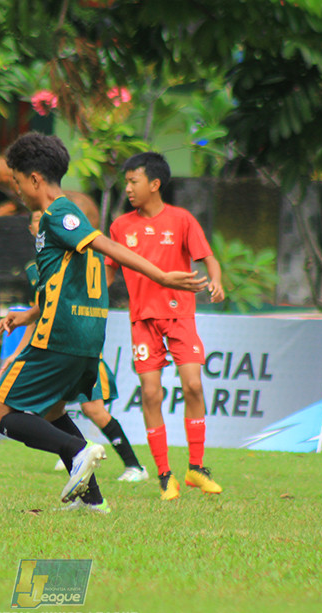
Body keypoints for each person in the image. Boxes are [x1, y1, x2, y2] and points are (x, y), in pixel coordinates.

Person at [0, 132, 206, 513]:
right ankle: (93, 500)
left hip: (61, 337)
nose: (18, 190)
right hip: (85, 338)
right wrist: (27, 314)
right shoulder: (59, 220)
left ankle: (79, 449)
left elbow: (108, 246)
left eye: (18, 181)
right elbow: (64, 282)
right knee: (54, 411)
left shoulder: (60, 212)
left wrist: (163, 276)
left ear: (35, 179)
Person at [105, 151, 225, 501]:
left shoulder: (182, 220)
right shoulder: (120, 226)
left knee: (193, 387)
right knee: (151, 393)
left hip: (180, 316)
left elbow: (208, 258)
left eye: (133, 181)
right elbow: (110, 270)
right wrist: (91, 288)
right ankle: (164, 475)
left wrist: (216, 281)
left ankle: (196, 469)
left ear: (154, 184)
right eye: (126, 181)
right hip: (142, 320)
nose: (128, 187)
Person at [2, 211, 149, 482]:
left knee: (92, 409)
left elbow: (46, 310)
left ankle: (133, 466)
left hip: (72, 349)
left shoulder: (59, 259)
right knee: (52, 410)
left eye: (42, 220)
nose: (40, 224)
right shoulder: (61, 258)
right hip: (72, 348)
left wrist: (17, 354)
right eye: (35, 220)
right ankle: (75, 456)